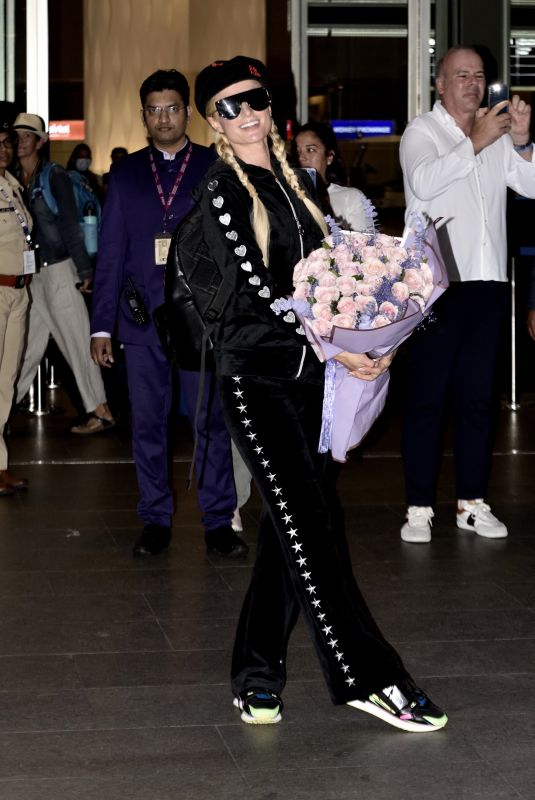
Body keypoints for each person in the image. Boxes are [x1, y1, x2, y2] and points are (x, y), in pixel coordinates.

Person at [190, 55, 447, 732]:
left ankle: (254, 675)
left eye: (253, 101)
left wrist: (373, 342)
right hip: (256, 381)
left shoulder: (299, 181)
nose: (244, 115)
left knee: (290, 529)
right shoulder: (220, 189)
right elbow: (250, 295)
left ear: (270, 107)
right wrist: (338, 342)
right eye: (227, 107)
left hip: (309, 380)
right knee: (313, 526)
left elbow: (337, 276)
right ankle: (369, 676)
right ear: (212, 122)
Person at [90, 69, 248, 559]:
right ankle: (155, 518)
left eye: (172, 108)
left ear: (187, 113)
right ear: (144, 115)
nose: (163, 118)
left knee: (210, 423)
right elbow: (111, 252)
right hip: (141, 322)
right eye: (154, 110)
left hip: (202, 319)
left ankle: (219, 520)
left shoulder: (214, 166)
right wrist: (101, 325)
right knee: (148, 424)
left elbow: (233, 247)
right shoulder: (126, 173)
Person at [399, 45, 535, 544]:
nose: (472, 84)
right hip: (437, 285)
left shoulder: (495, 131)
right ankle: (418, 506)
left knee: (479, 399)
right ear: (440, 84)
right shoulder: (422, 132)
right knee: (427, 399)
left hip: (490, 280)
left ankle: (472, 502)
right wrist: (474, 142)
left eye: (479, 75)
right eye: (461, 75)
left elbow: (531, 184)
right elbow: (424, 182)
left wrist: (520, 142)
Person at [12, 113, 114, 435]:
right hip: (36, 275)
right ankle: (4, 409)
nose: (21, 141)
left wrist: (85, 270)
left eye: (28, 136)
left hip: (59, 270)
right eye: (17, 136)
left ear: (41, 142)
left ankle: (101, 410)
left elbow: (70, 225)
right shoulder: (17, 180)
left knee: (76, 340)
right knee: (26, 348)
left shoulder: (53, 176)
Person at [0, 122, 33, 495]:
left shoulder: (13, 185)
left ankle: (1, 466)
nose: (5, 149)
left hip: (19, 293)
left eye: (8, 143)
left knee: (6, 383)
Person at [293, 121, 369, 231]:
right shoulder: (290, 196)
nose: (301, 157)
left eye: (310, 150)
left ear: (329, 157)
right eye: (298, 151)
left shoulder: (351, 197)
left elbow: (363, 244)